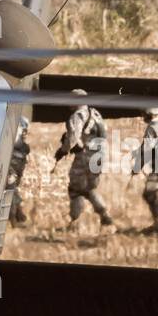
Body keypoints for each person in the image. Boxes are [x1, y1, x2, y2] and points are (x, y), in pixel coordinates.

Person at [56, 91, 114, 233]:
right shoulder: (95, 113)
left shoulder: (77, 116)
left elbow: (73, 139)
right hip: (99, 156)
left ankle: (74, 224)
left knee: (75, 189)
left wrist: (62, 150)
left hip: (85, 156)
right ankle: (105, 216)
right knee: (89, 188)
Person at [131, 107, 158, 237]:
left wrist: (137, 168)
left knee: (149, 194)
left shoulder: (152, 128)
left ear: (147, 114)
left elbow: (146, 150)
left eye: (143, 112)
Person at [7, 117, 31, 226]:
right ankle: (14, 219)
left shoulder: (23, 147)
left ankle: (18, 215)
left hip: (15, 167)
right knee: (11, 190)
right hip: (11, 167)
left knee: (12, 189)